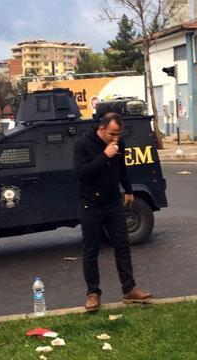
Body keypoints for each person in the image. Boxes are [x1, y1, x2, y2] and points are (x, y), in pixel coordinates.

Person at [74, 112, 152, 312]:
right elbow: (82, 173)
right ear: (101, 129)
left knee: (122, 245)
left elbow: (121, 167)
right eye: (112, 134)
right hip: (90, 204)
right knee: (91, 250)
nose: (116, 138)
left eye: (119, 134)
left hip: (113, 203)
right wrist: (104, 155)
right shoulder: (83, 144)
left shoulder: (119, 143)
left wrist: (128, 190)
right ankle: (93, 293)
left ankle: (129, 289)